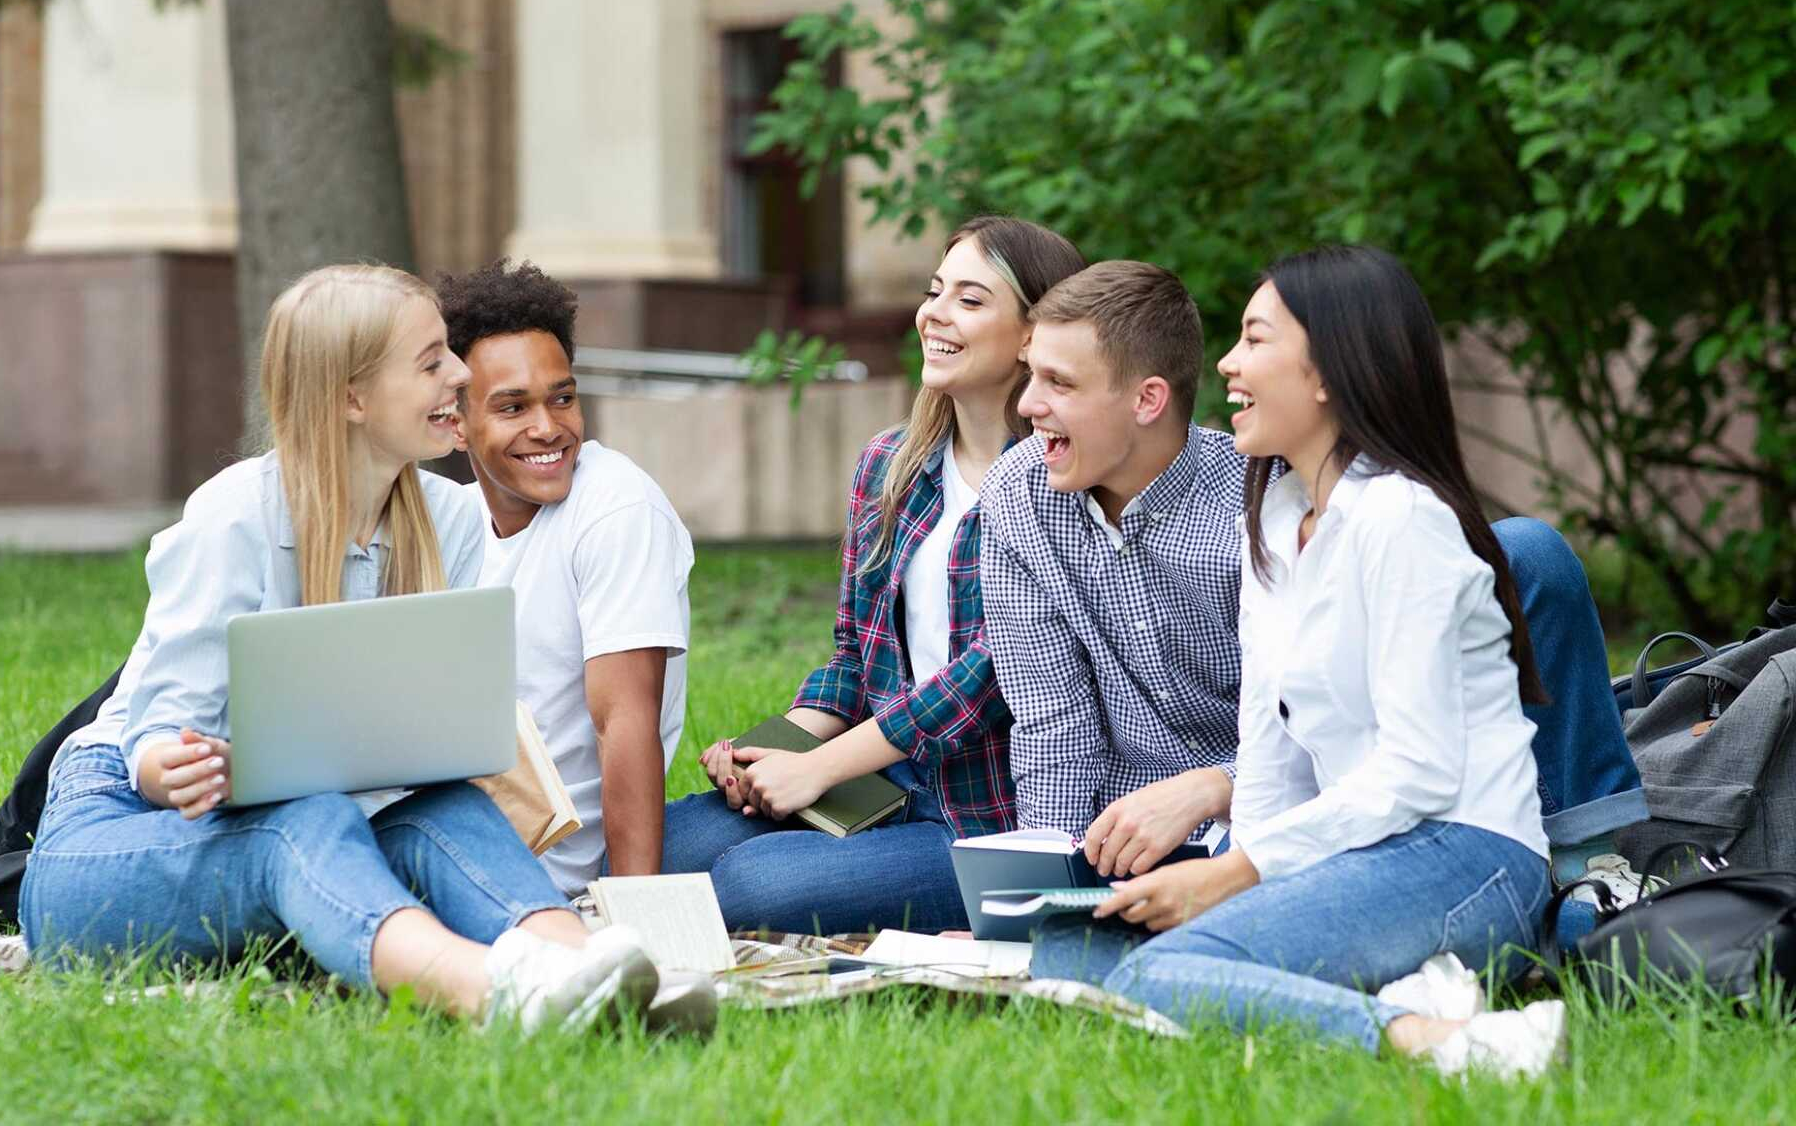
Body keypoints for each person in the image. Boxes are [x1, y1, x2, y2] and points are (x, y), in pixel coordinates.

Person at [0, 258, 696, 931]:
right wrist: (183, 766)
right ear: (360, 400)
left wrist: (623, 901)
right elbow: (164, 738)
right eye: (444, 366)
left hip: (330, 788)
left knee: (322, 794)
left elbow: (457, 734)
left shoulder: (464, 519)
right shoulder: (244, 515)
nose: (462, 377)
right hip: (162, 780)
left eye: (561, 397)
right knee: (153, 707)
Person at [1030, 245, 1570, 1074]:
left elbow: (1420, 772)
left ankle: (1453, 1044)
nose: (1227, 364)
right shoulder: (1277, 520)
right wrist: (1224, 874)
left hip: (1466, 852)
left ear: (1328, 372)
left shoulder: (1400, 520)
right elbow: (1271, 761)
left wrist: (1239, 877)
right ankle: (1405, 986)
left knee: (1166, 975)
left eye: (1254, 339)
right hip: (1353, 853)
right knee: (1068, 957)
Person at [979, 261, 1647, 909]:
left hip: (1298, 812)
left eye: (1056, 382)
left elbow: (1339, 725)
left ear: (1148, 399)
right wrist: (1044, 888)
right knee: (1089, 954)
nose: (1027, 405)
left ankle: (1590, 863)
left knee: (1527, 553)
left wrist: (1219, 790)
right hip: (1132, 832)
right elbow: (1053, 722)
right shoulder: (1021, 494)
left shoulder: (1271, 502)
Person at [660, 216, 1086, 933]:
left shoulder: (1058, 481)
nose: (934, 314)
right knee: (667, 848)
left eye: (970, 300)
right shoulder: (892, 467)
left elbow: (983, 681)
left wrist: (819, 770)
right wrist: (779, 746)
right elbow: (855, 657)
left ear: (1031, 336)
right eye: (934, 291)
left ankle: (895, 882)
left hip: (984, 813)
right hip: (881, 780)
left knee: (749, 885)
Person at [438, 259, 694, 893]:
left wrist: (635, 908)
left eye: (563, 397)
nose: (549, 427)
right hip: (455, 831)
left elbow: (626, 721)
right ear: (456, 423)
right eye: (512, 407)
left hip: (556, 867)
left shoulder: (617, 506)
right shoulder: (447, 524)